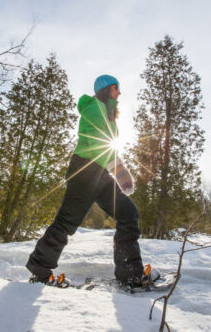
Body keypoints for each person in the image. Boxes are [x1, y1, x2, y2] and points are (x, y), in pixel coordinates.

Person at [26, 74, 158, 288]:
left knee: (128, 214)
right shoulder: (96, 108)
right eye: (117, 88)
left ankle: (130, 273)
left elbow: (106, 144)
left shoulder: (106, 111)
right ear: (107, 89)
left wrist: (116, 170)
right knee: (67, 221)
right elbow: (100, 142)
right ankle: (39, 269)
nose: (120, 93)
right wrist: (120, 170)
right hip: (85, 172)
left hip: (99, 174)